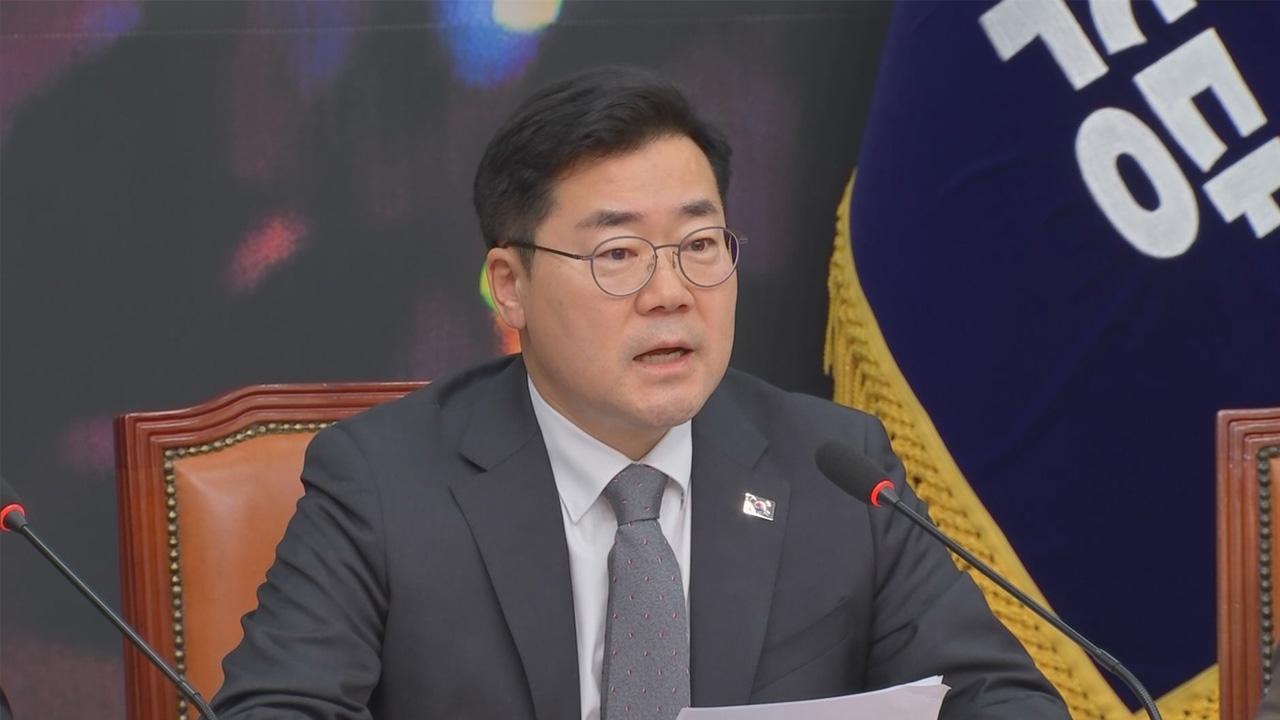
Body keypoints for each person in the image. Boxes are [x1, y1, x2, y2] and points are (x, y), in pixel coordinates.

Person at [212, 66, 1068, 720]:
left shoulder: (836, 472)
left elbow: (1003, 702)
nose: (672, 292)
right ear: (509, 286)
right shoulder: (383, 484)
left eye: (700, 245)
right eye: (618, 254)